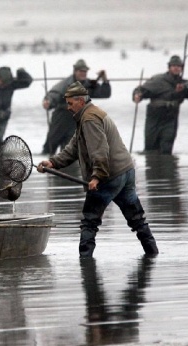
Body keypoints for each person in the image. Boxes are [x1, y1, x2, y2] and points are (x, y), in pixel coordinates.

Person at [37, 81, 159, 257]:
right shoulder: (88, 115)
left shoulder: (89, 119)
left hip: (109, 177)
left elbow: (100, 151)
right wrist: (53, 163)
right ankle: (153, 253)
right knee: (137, 219)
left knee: (90, 222)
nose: (68, 107)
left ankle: (85, 263)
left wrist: (97, 177)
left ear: (80, 101)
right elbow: (74, 148)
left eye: (70, 103)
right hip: (125, 171)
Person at [42, 58, 111, 155]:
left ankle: (66, 167)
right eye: (81, 71)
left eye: (85, 71)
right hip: (61, 118)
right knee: (51, 145)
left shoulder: (88, 85)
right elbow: (54, 93)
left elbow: (104, 94)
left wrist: (105, 81)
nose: (83, 73)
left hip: (76, 120)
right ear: (75, 71)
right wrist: (48, 101)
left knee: (69, 148)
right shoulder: (66, 83)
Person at [133, 55, 188, 155]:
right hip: (154, 118)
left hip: (170, 119)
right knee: (150, 148)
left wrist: (181, 90)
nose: (176, 68)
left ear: (181, 68)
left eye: (179, 66)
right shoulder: (158, 80)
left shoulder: (184, 84)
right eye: (174, 65)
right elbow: (140, 90)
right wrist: (137, 96)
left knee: (166, 149)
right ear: (169, 67)